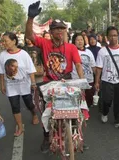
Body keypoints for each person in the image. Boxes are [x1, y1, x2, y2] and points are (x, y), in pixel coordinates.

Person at [25, 1, 85, 152]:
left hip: (67, 82)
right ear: (51, 32)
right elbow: (29, 36)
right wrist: (30, 18)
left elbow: (78, 65)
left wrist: (82, 81)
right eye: (56, 29)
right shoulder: (44, 43)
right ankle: (46, 138)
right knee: (48, 112)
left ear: (65, 32)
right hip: (49, 83)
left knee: (77, 109)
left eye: (62, 29)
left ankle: (76, 137)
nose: (59, 32)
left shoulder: (71, 47)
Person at [0, 32, 39, 137]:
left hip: (25, 85)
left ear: (14, 41)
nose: (3, 43)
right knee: (14, 106)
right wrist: (2, 85)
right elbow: (1, 72)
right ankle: (20, 127)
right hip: (11, 87)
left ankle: (34, 114)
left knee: (29, 104)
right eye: (2, 41)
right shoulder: (2, 55)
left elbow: (31, 70)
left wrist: (33, 83)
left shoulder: (23, 54)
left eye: (5, 41)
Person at [95, 26, 119, 130]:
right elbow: (99, 67)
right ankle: (104, 112)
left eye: (115, 35)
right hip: (106, 80)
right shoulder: (102, 51)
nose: (113, 38)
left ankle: (118, 121)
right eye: (111, 36)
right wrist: (97, 81)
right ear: (107, 37)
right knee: (106, 100)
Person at [71, 33, 96, 107]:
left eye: (81, 40)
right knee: (77, 99)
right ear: (74, 41)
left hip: (89, 79)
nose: (80, 41)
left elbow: (93, 65)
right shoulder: (72, 51)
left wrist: (97, 79)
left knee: (88, 99)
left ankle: (86, 113)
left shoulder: (89, 52)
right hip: (76, 79)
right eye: (77, 40)